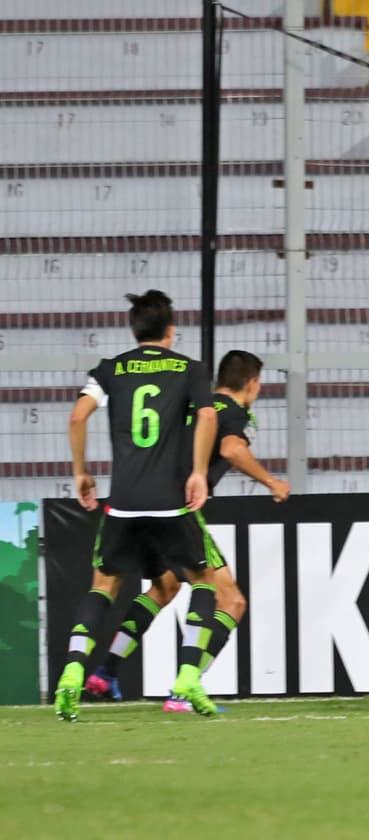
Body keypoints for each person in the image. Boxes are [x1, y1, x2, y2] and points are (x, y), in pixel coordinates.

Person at [83, 350, 290, 710]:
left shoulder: (198, 405)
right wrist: (272, 482)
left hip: (139, 504)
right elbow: (232, 448)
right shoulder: (234, 413)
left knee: (165, 587)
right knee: (231, 601)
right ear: (253, 382)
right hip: (175, 513)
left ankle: (105, 672)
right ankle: (184, 688)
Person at [55, 290, 223, 719]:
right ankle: (187, 676)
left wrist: (80, 472)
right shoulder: (191, 369)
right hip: (170, 501)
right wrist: (199, 472)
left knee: (104, 586)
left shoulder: (110, 369)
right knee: (204, 581)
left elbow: (77, 416)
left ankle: (73, 672)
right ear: (171, 331)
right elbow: (207, 416)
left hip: (124, 503)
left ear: (134, 330)